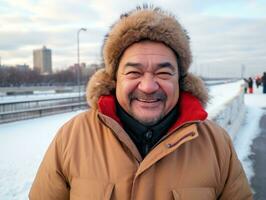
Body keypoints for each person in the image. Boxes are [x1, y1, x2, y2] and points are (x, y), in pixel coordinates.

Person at [29, 6, 252, 199]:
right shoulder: (72, 138)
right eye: (134, 72)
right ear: (114, 80)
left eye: (163, 73)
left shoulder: (216, 144)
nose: (148, 86)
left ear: (181, 81)